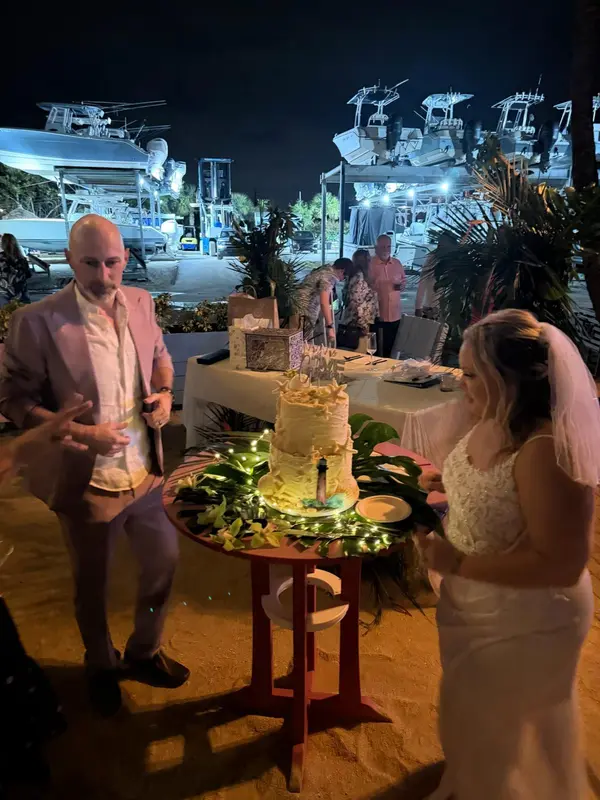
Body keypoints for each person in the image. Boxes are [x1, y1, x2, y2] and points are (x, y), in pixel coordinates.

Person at [0, 214, 189, 718]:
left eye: (111, 263)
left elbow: (160, 356)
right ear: (69, 260)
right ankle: (101, 663)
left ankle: (144, 651)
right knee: (92, 585)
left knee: (163, 565)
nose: (103, 276)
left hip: (145, 472)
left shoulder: (142, 303)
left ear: (125, 258)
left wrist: (165, 394)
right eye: (89, 263)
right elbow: (13, 399)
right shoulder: (36, 320)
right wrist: (80, 432)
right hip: (87, 480)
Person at [416, 309, 598, 800]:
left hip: (530, 615)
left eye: (472, 374)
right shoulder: (494, 417)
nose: (461, 383)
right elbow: (499, 487)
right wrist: (451, 480)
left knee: (511, 732)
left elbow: (561, 563)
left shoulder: (547, 451)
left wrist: (456, 564)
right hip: (476, 599)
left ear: (510, 379)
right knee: (474, 712)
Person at [369, 234, 406, 357]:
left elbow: (403, 280)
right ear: (376, 248)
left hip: (395, 314)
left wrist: (402, 286)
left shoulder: (397, 263)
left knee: (392, 346)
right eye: (383, 247)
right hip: (378, 313)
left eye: (388, 246)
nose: (386, 249)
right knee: (377, 348)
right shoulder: (370, 264)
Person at [297, 259, 346, 345]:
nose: (342, 280)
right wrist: (330, 327)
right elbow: (324, 303)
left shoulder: (323, 270)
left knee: (301, 341)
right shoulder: (329, 277)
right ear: (342, 271)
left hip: (298, 308)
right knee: (303, 343)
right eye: (344, 277)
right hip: (306, 312)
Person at [340, 250, 378, 352]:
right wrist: (361, 323)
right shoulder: (358, 277)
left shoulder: (355, 276)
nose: (370, 262)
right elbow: (356, 301)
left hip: (359, 320)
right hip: (358, 322)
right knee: (360, 350)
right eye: (369, 259)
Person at [0, 233, 31, 303]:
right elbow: (28, 275)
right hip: (21, 295)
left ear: (3, 244)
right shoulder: (22, 259)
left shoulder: (1, 258)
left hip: (4, 294)